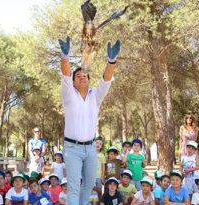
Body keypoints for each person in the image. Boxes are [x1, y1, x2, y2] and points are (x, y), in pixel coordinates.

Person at [58, 35, 121, 205]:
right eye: (77, 75)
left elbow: (106, 80)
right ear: (73, 81)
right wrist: (65, 57)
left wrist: (112, 60)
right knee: (73, 187)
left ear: (88, 79)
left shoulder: (96, 96)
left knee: (88, 185)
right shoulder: (69, 95)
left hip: (91, 149)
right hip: (72, 148)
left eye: (84, 75)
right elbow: (65, 76)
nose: (81, 77)